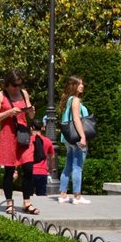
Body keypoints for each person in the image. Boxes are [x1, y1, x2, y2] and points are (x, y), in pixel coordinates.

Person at [0, 69, 37, 214]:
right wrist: (9, 112)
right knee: (9, 171)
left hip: (23, 134)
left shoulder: (24, 93)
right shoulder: (0, 96)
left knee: (29, 168)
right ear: (7, 84)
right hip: (8, 135)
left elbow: (30, 114)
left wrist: (31, 112)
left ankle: (27, 202)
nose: (17, 88)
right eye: (14, 85)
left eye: (19, 85)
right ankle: (9, 203)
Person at [57, 75, 91, 204]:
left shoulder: (68, 100)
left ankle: (63, 194)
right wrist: (83, 136)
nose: (82, 86)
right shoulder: (75, 100)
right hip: (76, 137)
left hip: (68, 137)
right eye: (80, 84)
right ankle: (77, 195)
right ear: (74, 86)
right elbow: (77, 119)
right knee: (78, 166)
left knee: (68, 165)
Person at [30, 118, 54, 196]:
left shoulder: (28, 141)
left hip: (30, 171)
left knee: (28, 197)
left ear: (32, 128)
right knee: (41, 196)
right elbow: (51, 157)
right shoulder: (48, 141)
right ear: (42, 128)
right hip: (43, 172)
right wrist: (50, 168)